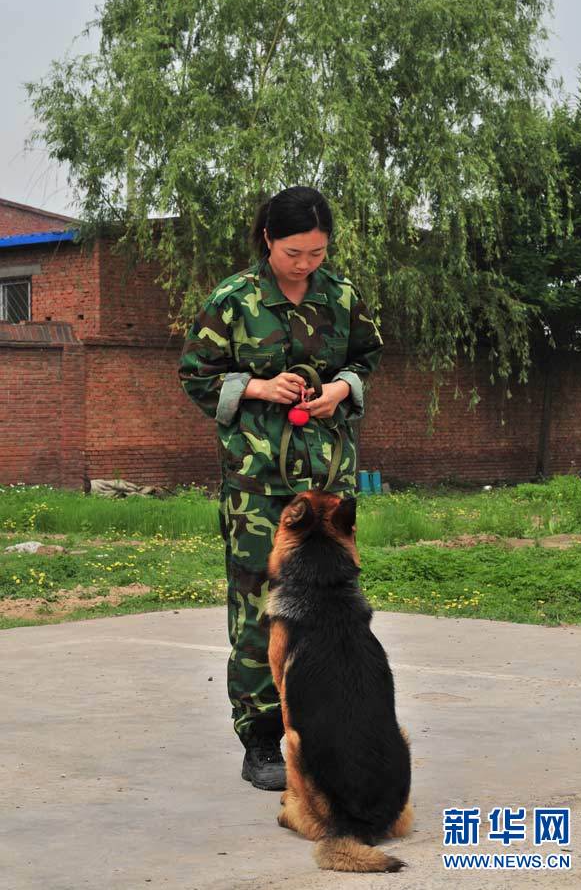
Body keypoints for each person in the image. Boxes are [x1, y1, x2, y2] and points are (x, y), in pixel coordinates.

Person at [178, 186, 384, 790]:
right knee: (258, 604)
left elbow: (367, 355)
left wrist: (341, 389)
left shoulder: (341, 295)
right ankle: (261, 736)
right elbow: (195, 375)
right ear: (268, 238)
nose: (306, 264)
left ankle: (324, 721)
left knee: (329, 604)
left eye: (318, 253)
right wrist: (258, 388)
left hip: (327, 484)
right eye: (296, 252)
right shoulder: (234, 300)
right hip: (258, 484)